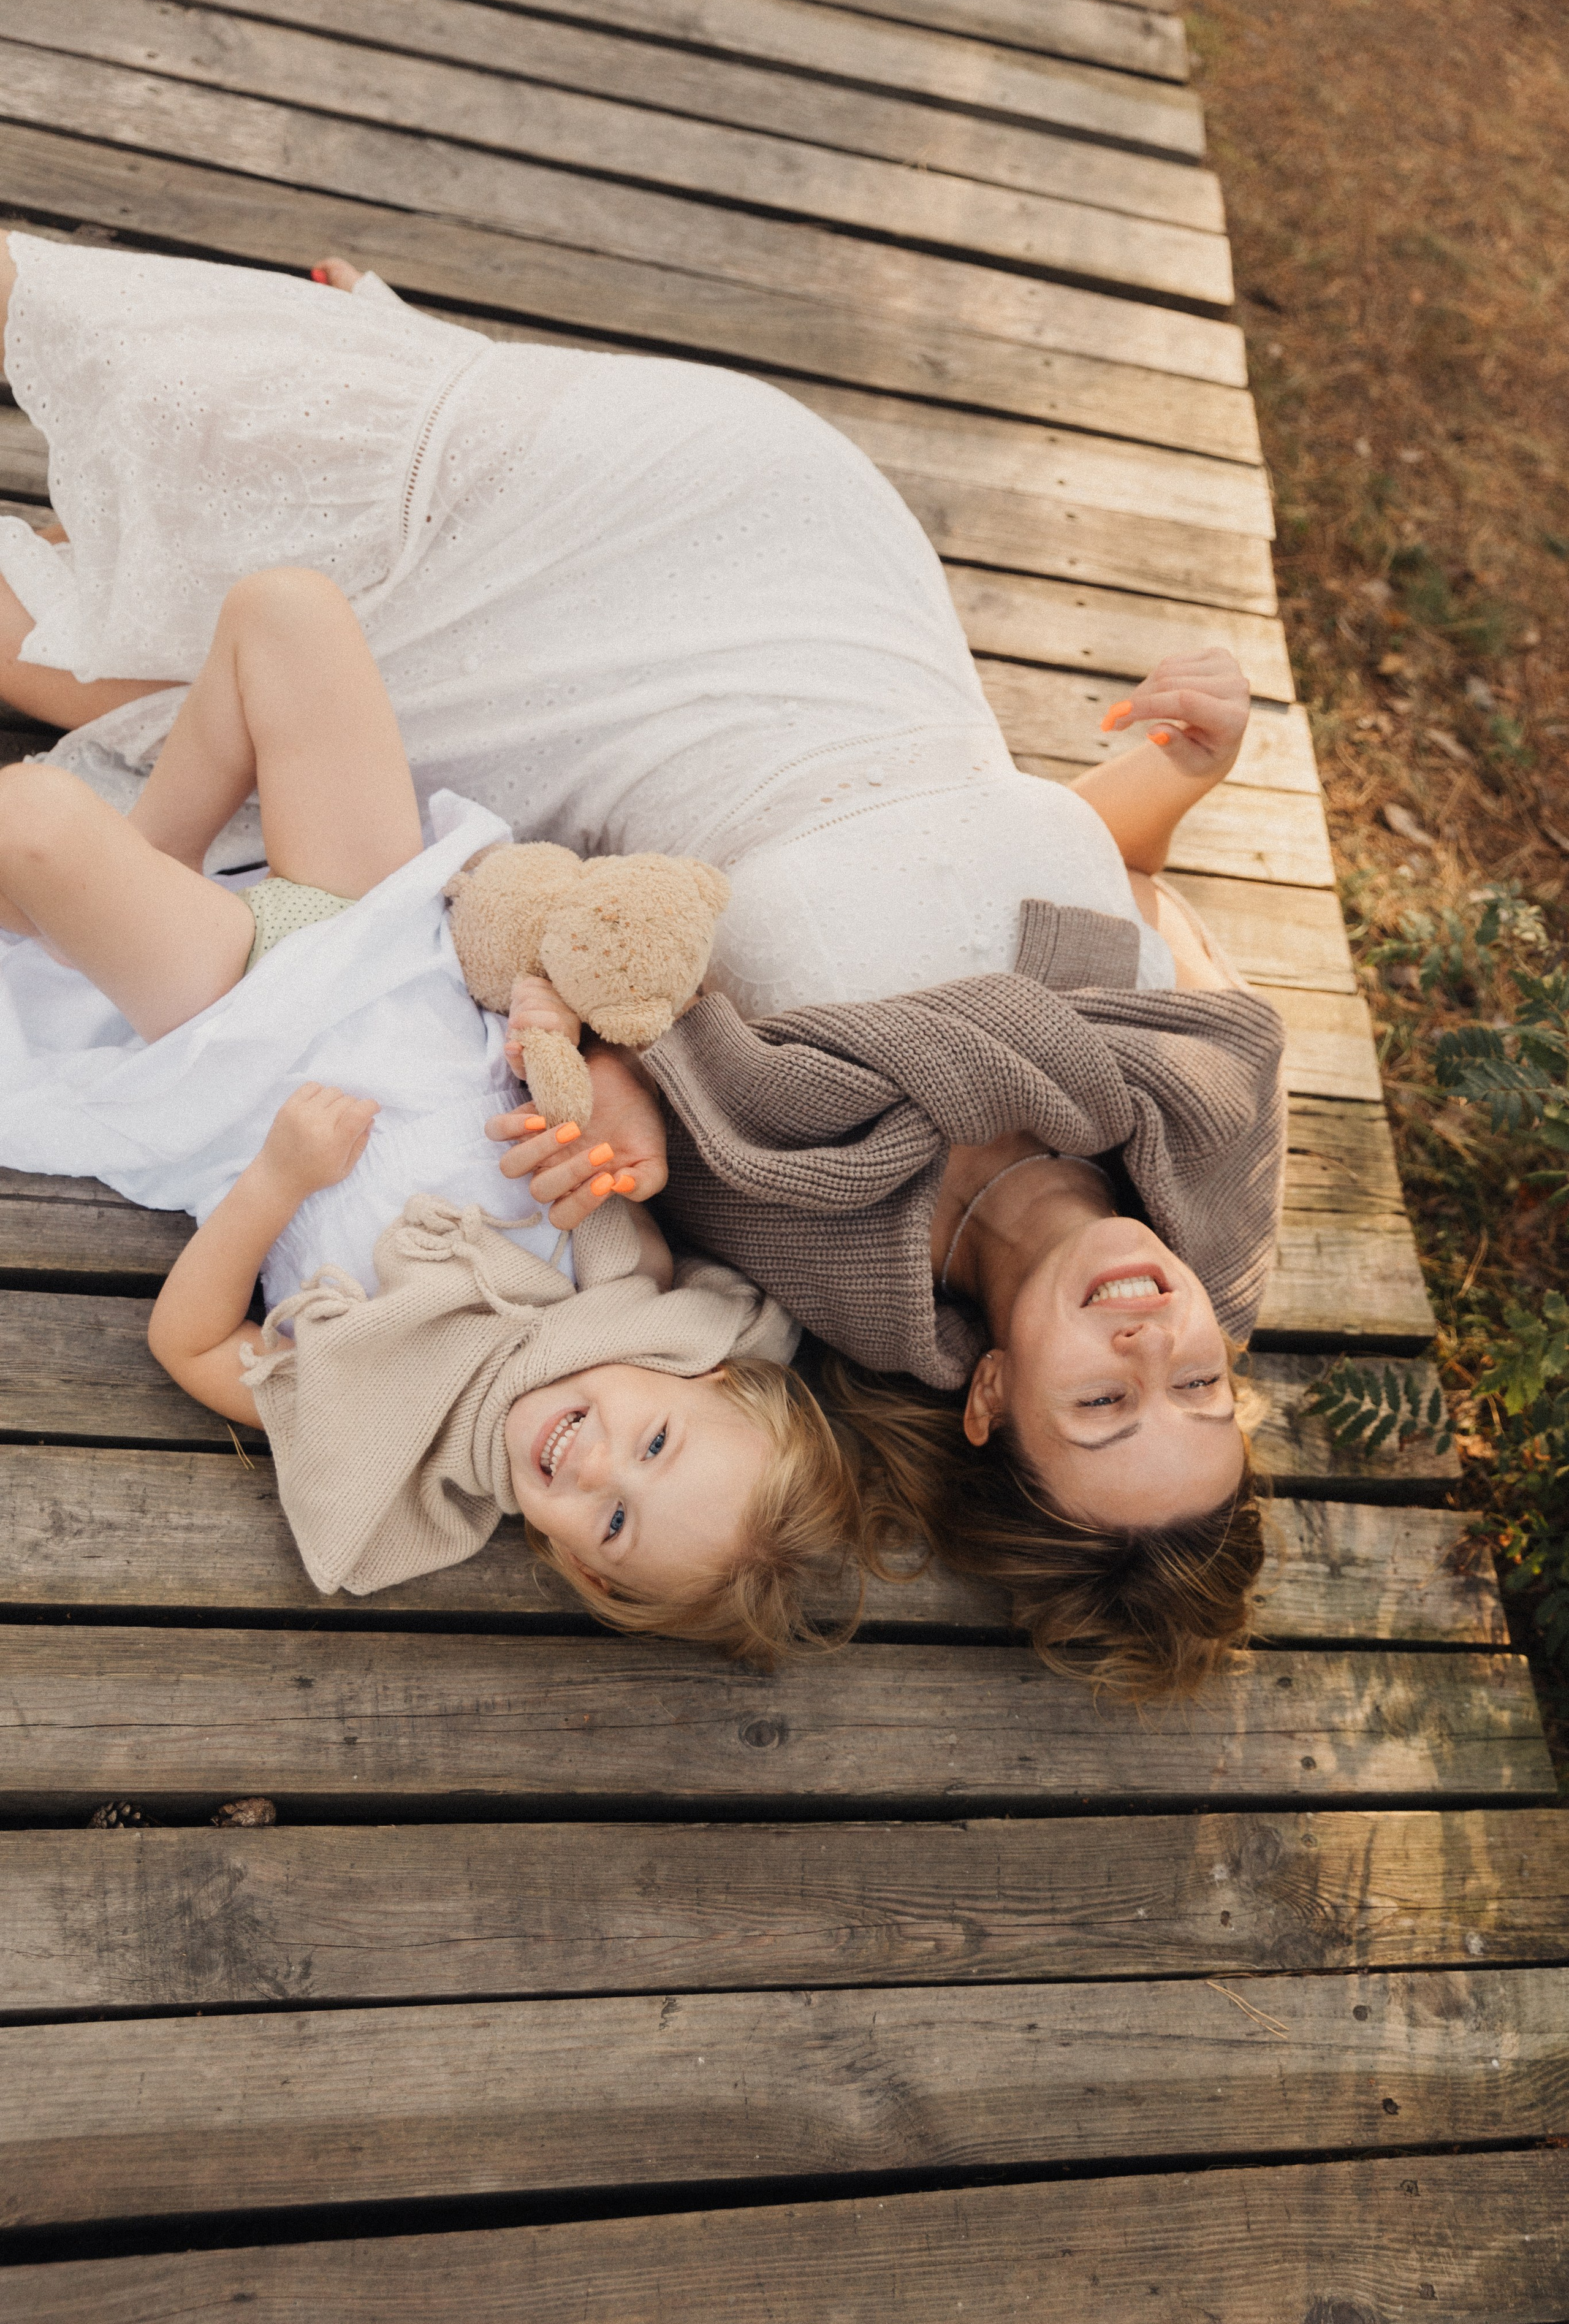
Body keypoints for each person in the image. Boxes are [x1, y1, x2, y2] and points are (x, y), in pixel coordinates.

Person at [0, 234, 1284, 1692]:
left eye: (1107, 1403)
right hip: (815, 576)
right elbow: (1091, 860)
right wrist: (1182, 770)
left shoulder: (807, 1235)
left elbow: (593, 1038)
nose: (1147, 1335)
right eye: (1197, 1382)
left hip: (592, 727)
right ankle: (412, 380)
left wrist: (610, 1073)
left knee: (124, 623)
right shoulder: (1179, 1106)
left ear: (992, 1398)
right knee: (269, 526)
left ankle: (381, 390)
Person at [0, 563, 857, 1658]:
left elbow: (195, 1343)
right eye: (654, 1443)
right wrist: (557, 1031)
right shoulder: (618, 1268)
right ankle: (143, 866)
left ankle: (87, 896)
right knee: (287, 610)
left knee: (31, 817)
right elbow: (564, 1073)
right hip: (380, 936)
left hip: (237, 1026)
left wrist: (276, 1186)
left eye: (615, 1520)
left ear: (585, 1567)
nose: (597, 1463)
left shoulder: (390, 1433)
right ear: (699, 1372)